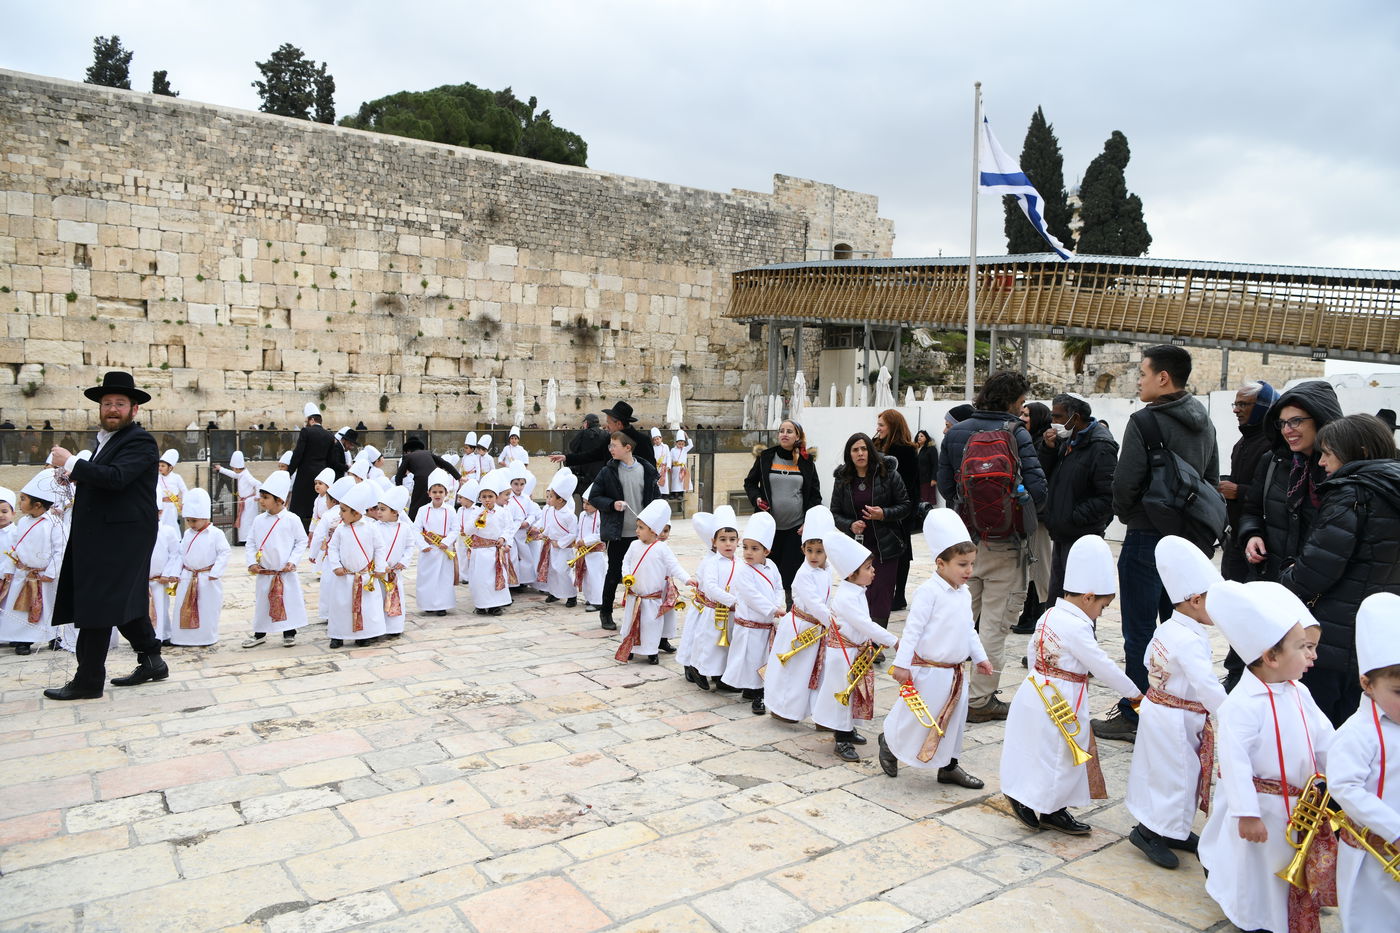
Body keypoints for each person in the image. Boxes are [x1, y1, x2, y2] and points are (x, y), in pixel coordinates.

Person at [1098, 345, 1219, 742]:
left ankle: (1135, 716)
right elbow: (1210, 480)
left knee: (1138, 628)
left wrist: (1130, 515)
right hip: (1188, 539)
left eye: (1144, 373)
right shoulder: (1206, 422)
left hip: (1148, 535)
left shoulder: (1145, 421)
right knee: (1181, 625)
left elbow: (1125, 481)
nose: (1140, 380)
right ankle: (1174, 706)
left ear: (1163, 377)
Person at [1198, 580, 1333, 933]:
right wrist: (1247, 813)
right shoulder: (1240, 706)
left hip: (1296, 809)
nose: (1312, 656)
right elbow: (1235, 764)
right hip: (1263, 809)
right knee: (1255, 872)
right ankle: (1252, 919)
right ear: (1271, 657)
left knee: (1281, 867)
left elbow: (1324, 739)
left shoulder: (1299, 692)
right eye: (1303, 648)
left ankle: (1283, 912)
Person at [1000, 535, 1142, 835]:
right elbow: (1102, 665)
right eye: (1102, 607)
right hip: (1062, 699)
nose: (1100, 614)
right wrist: (1133, 693)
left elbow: (1032, 651)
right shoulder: (1078, 626)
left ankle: (1048, 805)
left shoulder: (1050, 613)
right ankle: (1039, 802)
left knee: (1040, 751)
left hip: (1036, 689)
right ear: (1088, 597)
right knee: (1060, 755)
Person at [45, 371, 167, 700]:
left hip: (123, 537)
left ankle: (88, 681)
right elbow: (107, 483)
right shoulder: (105, 441)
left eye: (120, 404)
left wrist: (71, 462)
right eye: (107, 403)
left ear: (134, 409)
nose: (112, 409)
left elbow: (117, 478)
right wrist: (75, 478)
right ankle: (152, 659)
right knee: (123, 599)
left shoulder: (139, 441)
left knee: (97, 603)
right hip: (106, 534)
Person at [936, 371, 1048, 722]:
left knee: (956, 619)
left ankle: (939, 688)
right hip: (1006, 545)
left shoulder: (956, 433)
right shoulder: (1016, 433)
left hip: (964, 544)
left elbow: (944, 485)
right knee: (994, 627)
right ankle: (982, 701)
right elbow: (1039, 492)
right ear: (1014, 401)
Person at [1280, 413, 1400, 725]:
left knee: (1318, 735)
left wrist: (1287, 576)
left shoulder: (1351, 493)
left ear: (1357, 452)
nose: (1320, 462)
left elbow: (1317, 570)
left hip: (1333, 641)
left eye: (1328, 453)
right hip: (1379, 641)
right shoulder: (1391, 489)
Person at [1125, 535, 1227, 868]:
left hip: (1163, 711)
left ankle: (1174, 829)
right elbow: (1206, 685)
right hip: (1175, 717)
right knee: (1176, 775)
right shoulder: (1189, 640)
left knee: (1176, 773)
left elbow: (1146, 663)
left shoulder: (1168, 628)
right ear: (1196, 600)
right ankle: (1149, 831)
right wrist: (1231, 714)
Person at [879, 508, 992, 788]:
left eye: (971, 564)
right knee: (916, 719)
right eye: (962, 564)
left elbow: (968, 629)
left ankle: (949, 766)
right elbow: (912, 631)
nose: (969, 571)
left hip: (955, 673)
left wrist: (980, 658)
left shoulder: (964, 594)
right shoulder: (928, 593)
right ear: (940, 563)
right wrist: (902, 664)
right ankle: (889, 743)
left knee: (953, 721)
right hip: (928, 672)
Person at [1329, 592, 1400, 932]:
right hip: (1371, 855)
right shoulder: (1358, 733)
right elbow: (1345, 787)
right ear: (1367, 684)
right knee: (1371, 920)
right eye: (1398, 691)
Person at [1238, 379, 1342, 583]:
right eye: (1282, 423)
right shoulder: (1272, 462)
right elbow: (1252, 511)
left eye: (1296, 421)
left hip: (1318, 589)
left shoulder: (1342, 469)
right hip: (1272, 581)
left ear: (1321, 419)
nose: (1287, 430)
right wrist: (1252, 534)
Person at [812, 533, 899, 761]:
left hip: (854, 651)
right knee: (843, 693)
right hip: (844, 653)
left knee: (853, 694)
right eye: (868, 568)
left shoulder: (857, 591)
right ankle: (841, 738)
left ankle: (848, 729)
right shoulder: (846, 598)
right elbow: (865, 624)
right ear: (852, 574)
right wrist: (894, 641)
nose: (873, 572)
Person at [1037, 393, 1118, 602]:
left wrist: (1074, 517)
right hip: (1062, 532)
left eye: (1058, 417)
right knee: (1058, 598)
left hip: (1081, 534)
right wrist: (1048, 449)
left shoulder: (1100, 446)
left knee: (1079, 601)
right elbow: (1045, 474)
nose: (1053, 423)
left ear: (1076, 417)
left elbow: (1108, 496)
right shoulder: (1068, 440)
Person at [762, 506, 836, 723]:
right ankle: (784, 709)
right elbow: (813, 603)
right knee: (794, 672)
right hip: (801, 627)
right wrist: (832, 621)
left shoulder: (827, 571)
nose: (813, 556)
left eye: (819, 551)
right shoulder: (804, 574)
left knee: (814, 673)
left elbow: (827, 598)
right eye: (809, 550)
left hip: (818, 628)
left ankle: (815, 710)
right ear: (803, 549)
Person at [830, 432, 910, 633]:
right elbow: (835, 512)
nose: (860, 453)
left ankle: (876, 641)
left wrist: (883, 513)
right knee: (860, 592)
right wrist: (850, 525)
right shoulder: (842, 479)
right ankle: (860, 638)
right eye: (855, 450)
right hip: (856, 547)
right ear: (849, 454)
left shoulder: (888, 474)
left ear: (870, 451)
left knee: (882, 592)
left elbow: (905, 505)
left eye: (864, 449)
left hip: (885, 545)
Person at [588, 431, 661, 632]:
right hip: (619, 533)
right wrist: (612, 504)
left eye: (614, 445)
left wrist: (660, 526)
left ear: (627, 447)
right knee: (614, 572)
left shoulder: (647, 470)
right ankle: (606, 612)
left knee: (646, 573)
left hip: (643, 535)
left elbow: (657, 500)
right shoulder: (608, 471)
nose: (610, 449)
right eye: (610, 445)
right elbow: (595, 497)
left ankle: (644, 612)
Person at [744, 420, 823, 603]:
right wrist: (756, 498)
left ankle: (789, 610)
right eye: (781, 431)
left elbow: (815, 495)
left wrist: (808, 521)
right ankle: (766, 606)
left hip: (796, 528)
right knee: (767, 568)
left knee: (790, 572)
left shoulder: (806, 461)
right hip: (768, 528)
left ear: (797, 436)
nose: (784, 434)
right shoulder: (766, 456)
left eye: (789, 431)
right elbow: (750, 483)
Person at [613, 499, 689, 665]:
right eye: (637, 527)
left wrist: (687, 579)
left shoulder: (662, 548)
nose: (637, 531)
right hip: (635, 595)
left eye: (641, 528)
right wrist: (626, 576)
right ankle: (631, 647)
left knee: (651, 625)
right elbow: (625, 562)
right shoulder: (634, 545)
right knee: (631, 623)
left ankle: (651, 651)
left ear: (653, 530)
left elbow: (674, 566)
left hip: (652, 598)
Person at [721, 511, 783, 714]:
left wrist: (778, 604)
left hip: (767, 624)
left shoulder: (772, 567)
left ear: (767, 551)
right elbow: (751, 596)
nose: (748, 553)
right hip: (750, 625)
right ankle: (756, 693)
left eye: (754, 548)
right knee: (751, 659)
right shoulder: (742, 571)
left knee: (764, 658)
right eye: (745, 547)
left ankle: (758, 690)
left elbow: (778, 588)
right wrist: (773, 610)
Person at [240, 471, 307, 649]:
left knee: (288, 601)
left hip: (284, 572)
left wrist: (293, 561)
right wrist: (252, 562)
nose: (261, 500)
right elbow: (251, 542)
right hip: (265, 571)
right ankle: (260, 633)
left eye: (266, 497)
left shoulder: (292, 519)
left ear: (279, 500)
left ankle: (289, 632)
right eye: (261, 496)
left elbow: (302, 541)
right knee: (263, 603)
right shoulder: (258, 520)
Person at [1220, 381, 1279, 583]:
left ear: (1263, 406)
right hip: (1236, 537)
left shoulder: (1276, 444)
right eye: (1235, 404)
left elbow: (1279, 493)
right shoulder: (1241, 444)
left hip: (1261, 543)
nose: (1236, 410)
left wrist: (1239, 491)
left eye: (1244, 404)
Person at [1, 470, 63, 655]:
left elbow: (60, 550)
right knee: (21, 607)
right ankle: (23, 639)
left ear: (37, 505)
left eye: (23, 500)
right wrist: (9, 568)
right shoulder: (23, 523)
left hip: (44, 576)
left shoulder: (54, 523)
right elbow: (15, 548)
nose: (19, 504)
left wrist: (51, 572)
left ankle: (53, 636)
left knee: (48, 608)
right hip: (24, 574)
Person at [326, 482, 387, 648]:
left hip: (365, 576)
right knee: (341, 606)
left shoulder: (371, 527)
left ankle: (364, 635)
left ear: (356, 512)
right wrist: (335, 565)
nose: (340, 514)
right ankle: (338, 635)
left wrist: (380, 568)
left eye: (344, 511)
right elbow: (332, 548)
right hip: (344, 576)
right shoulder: (340, 529)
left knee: (366, 607)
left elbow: (380, 548)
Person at [168, 488, 229, 647]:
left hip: (207, 578)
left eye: (194, 520)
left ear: (204, 517)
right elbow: (180, 555)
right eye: (188, 520)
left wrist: (215, 572)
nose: (190, 524)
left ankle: (205, 637)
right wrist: (175, 573)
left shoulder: (216, 534)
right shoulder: (188, 534)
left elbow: (224, 552)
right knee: (183, 606)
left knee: (206, 608)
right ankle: (182, 638)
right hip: (187, 577)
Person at [873, 409, 920, 612]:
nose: (878, 428)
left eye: (882, 424)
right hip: (879, 508)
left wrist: (904, 510)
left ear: (892, 426)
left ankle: (898, 594)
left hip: (899, 510)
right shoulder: (876, 446)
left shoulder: (906, 450)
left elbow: (911, 484)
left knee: (901, 551)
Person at [286, 402, 346, 529]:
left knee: (300, 507)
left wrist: (288, 473)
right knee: (316, 504)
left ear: (311, 420)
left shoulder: (306, 432)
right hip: (321, 476)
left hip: (305, 474)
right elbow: (331, 460)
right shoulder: (329, 435)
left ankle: (299, 530)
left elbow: (298, 454)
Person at [551, 401, 656, 473]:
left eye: (609, 423)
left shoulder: (642, 441)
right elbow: (593, 454)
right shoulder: (610, 439)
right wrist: (567, 457)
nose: (606, 426)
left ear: (619, 424)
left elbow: (651, 470)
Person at [414, 469, 459, 616]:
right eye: (434, 492)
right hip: (428, 550)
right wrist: (423, 545)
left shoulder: (451, 510)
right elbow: (416, 529)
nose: (437, 495)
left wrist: (446, 542)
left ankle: (442, 605)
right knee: (427, 578)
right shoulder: (422, 510)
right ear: (429, 493)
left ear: (446, 493)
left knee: (443, 578)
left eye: (440, 492)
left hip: (443, 550)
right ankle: (427, 603)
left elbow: (455, 529)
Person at [537, 469, 580, 606]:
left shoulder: (570, 516)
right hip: (552, 545)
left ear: (560, 500)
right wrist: (543, 534)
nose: (549, 499)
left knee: (563, 571)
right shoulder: (551, 511)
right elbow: (550, 526)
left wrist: (560, 543)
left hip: (564, 547)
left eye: (552, 497)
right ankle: (554, 592)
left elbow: (573, 533)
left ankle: (571, 595)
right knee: (552, 570)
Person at [375, 486, 412, 639]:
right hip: (379, 571)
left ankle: (395, 627)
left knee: (396, 596)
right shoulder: (374, 527)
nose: (378, 512)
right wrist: (381, 564)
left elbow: (410, 546)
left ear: (395, 512)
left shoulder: (404, 528)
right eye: (378, 509)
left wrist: (403, 562)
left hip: (395, 570)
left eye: (383, 509)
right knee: (378, 598)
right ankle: (378, 627)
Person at [394, 435, 459, 521]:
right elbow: (444, 463)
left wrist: (399, 490)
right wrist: (458, 477)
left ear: (408, 451)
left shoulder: (407, 457)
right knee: (433, 502)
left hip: (421, 481)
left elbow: (399, 476)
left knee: (416, 505)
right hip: (434, 479)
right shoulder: (428, 453)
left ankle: (413, 525)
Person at [217, 452, 260, 545]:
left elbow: (258, 483)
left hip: (249, 503)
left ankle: (247, 541)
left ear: (237, 468)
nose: (233, 470)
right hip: (244, 502)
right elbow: (233, 474)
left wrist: (257, 496)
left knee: (247, 522)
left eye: (233, 468)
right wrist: (221, 469)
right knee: (244, 522)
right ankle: (244, 540)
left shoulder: (246, 475)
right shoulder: (241, 474)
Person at [566, 415, 608, 493]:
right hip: (601, 475)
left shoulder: (583, 434)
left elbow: (572, 447)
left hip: (585, 477)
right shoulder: (605, 434)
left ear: (586, 423)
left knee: (585, 502)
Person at [155, 449, 188, 532]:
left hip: (172, 507)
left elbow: (184, 490)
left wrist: (183, 503)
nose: (160, 468)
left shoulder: (177, 477)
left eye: (163, 466)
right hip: (161, 506)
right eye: (159, 465)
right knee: (160, 526)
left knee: (173, 526)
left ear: (170, 467)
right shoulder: (157, 478)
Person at [913, 429, 938, 506]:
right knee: (917, 500)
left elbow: (935, 464)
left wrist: (934, 478)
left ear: (926, 438)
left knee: (926, 501)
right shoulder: (915, 449)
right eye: (918, 436)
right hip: (917, 480)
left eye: (921, 436)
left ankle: (927, 516)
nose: (919, 437)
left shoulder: (931, 449)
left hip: (927, 480)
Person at [668, 430, 692, 501]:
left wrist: (687, 437)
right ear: (676, 443)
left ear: (684, 444)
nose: (681, 445)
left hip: (682, 468)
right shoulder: (672, 450)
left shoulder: (685, 449)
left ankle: (681, 494)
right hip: (675, 467)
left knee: (682, 481)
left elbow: (691, 445)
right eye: (679, 444)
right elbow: (670, 458)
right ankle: (673, 493)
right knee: (675, 481)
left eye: (682, 444)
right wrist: (669, 466)